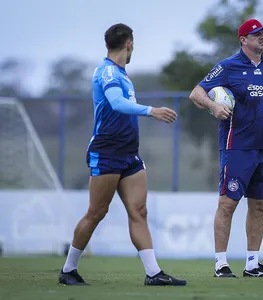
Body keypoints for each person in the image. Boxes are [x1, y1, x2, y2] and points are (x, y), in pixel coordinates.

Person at [58, 23, 186, 286]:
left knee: (139, 211)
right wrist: (152, 111)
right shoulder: (107, 73)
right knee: (97, 212)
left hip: (129, 154)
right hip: (106, 151)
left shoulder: (122, 73)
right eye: (133, 44)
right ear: (129, 43)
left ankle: (153, 273)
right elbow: (116, 103)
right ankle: (68, 269)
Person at [189, 19, 263, 278]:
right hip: (237, 147)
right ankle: (221, 264)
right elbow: (196, 93)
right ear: (243, 40)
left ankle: (252, 264)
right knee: (227, 204)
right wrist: (213, 106)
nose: (262, 37)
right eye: (256, 34)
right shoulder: (228, 67)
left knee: (260, 205)